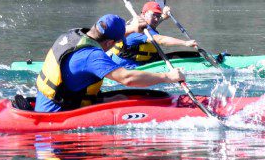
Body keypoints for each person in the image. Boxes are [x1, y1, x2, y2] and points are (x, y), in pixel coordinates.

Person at [35, 14, 184, 112]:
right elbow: (127, 78)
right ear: (109, 42)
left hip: (49, 103)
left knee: (120, 98)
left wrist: (132, 28)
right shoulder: (92, 57)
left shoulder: (75, 35)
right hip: (59, 114)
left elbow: (106, 38)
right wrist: (168, 77)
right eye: (117, 42)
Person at [109, 1, 198, 68]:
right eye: (154, 15)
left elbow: (153, 23)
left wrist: (163, 16)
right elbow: (160, 40)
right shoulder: (139, 29)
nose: (156, 19)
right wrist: (185, 43)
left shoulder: (141, 21)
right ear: (144, 14)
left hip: (142, 62)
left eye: (158, 16)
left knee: (183, 56)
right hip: (128, 67)